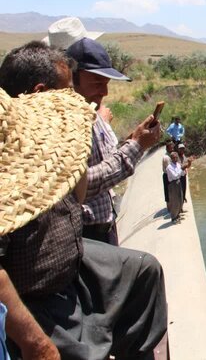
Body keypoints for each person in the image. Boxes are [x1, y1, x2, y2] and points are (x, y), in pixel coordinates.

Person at [0, 87, 167, 360]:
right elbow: (89, 185)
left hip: (72, 262)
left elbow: (78, 193)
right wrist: (36, 343)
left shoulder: (45, 144)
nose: (104, 91)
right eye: (68, 85)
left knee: (144, 269)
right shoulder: (15, 175)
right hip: (39, 291)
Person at [67, 38, 161, 245]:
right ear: (72, 78)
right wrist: (136, 146)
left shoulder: (93, 112)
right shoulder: (65, 124)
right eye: (98, 82)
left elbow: (104, 162)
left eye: (107, 83)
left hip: (104, 227)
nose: (105, 92)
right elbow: (82, 185)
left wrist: (133, 139)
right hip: (85, 236)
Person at [166, 152, 193, 222]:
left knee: (180, 199)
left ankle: (178, 214)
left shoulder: (178, 164)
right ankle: (174, 217)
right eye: (174, 158)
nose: (175, 159)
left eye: (176, 157)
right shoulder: (169, 167)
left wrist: (185, 167)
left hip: (178, 182)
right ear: (171, 159)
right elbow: (175, 176)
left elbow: (182, 173)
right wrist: (182, 169)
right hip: (173, 184)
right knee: (175, 201)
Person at [162, 140, 175, 209]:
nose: (172, 148)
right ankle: (169, 207)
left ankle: (171, 206)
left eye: (172, 147)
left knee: (171, 191)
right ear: (167, 148)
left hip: (170, 175)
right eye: (171, 147)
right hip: (167, 175)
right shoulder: (166, 157)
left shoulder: (171, 155)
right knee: (167, 191)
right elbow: (169, 169)